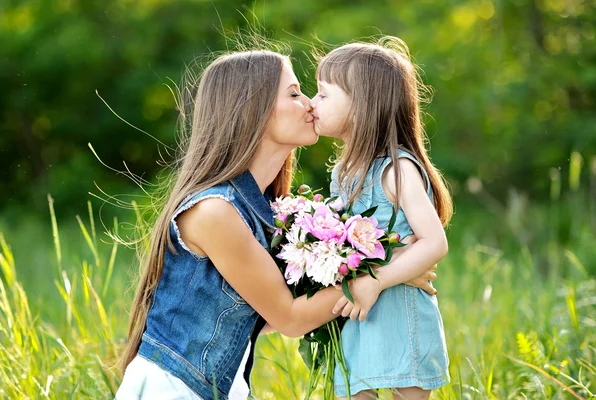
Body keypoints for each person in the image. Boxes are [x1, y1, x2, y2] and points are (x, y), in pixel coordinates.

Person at [114, 49, 438, 400]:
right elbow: (290, 317)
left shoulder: (262, 209)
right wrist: (387, 267)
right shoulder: (214, 211)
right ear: (255, 110)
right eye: (295, 93)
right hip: (175, 390)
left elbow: (263, 313)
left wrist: (390, 277)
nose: (311, 104)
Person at [311, 37, 454, 400]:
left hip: (399, 307)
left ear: (362, 105)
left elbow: (435, 242)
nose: (313, 104)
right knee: (356, 389)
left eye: (323, 94)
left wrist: (378, 280)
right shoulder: (344, 172)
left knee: (406, 389)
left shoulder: (396, 169)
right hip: (359, 311)